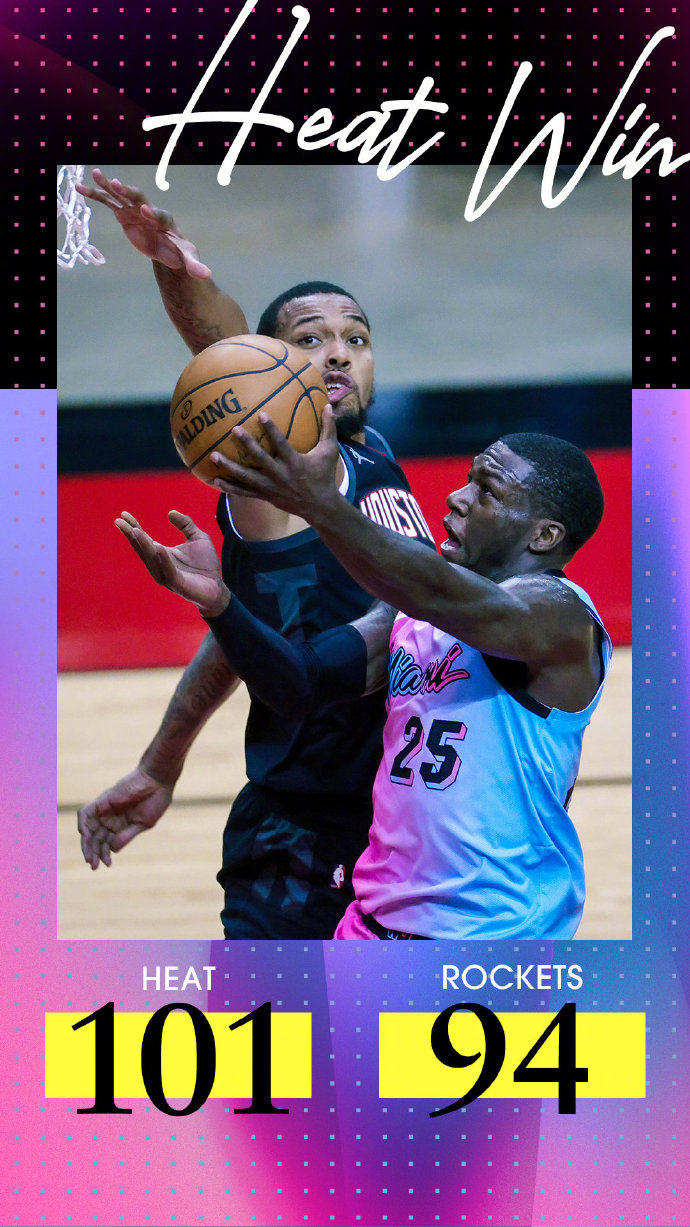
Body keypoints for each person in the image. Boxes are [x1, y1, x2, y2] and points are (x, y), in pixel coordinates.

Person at [75, 170, 435, 940]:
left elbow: (240, 640)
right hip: (306, 842)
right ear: (273, 370)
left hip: (400, 828)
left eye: (355, 339)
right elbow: (227, 360)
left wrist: (161, 759)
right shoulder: (274, 479)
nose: (337, 355)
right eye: (308, 340)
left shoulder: (374, 455)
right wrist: (177, 271)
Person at [114, 408, 611, 940]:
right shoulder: (409, 615)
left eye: (487, 492)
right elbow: (301, 683)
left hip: (496, 936)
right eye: (468, 480)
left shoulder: (563, 620)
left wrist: (318, 503)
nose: (456, 497)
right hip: (373, 924)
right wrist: (220, 605)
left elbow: (441, 591)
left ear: (544, 536)